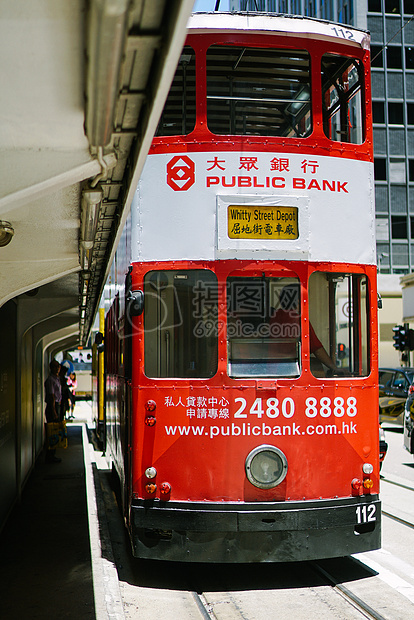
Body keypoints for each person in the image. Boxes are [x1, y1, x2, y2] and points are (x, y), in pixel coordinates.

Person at [44, 359, 62, 463]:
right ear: (51, 368)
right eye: (55, 366)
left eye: (58, 366)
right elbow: (51, 397)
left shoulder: (57, 379)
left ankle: (52, 454)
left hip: (56, 406)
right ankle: (50, 456)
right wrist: (54, 411)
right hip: (52, 407)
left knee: (54, 431)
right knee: (52, 432)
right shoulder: (51, 380)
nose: (58, 368)